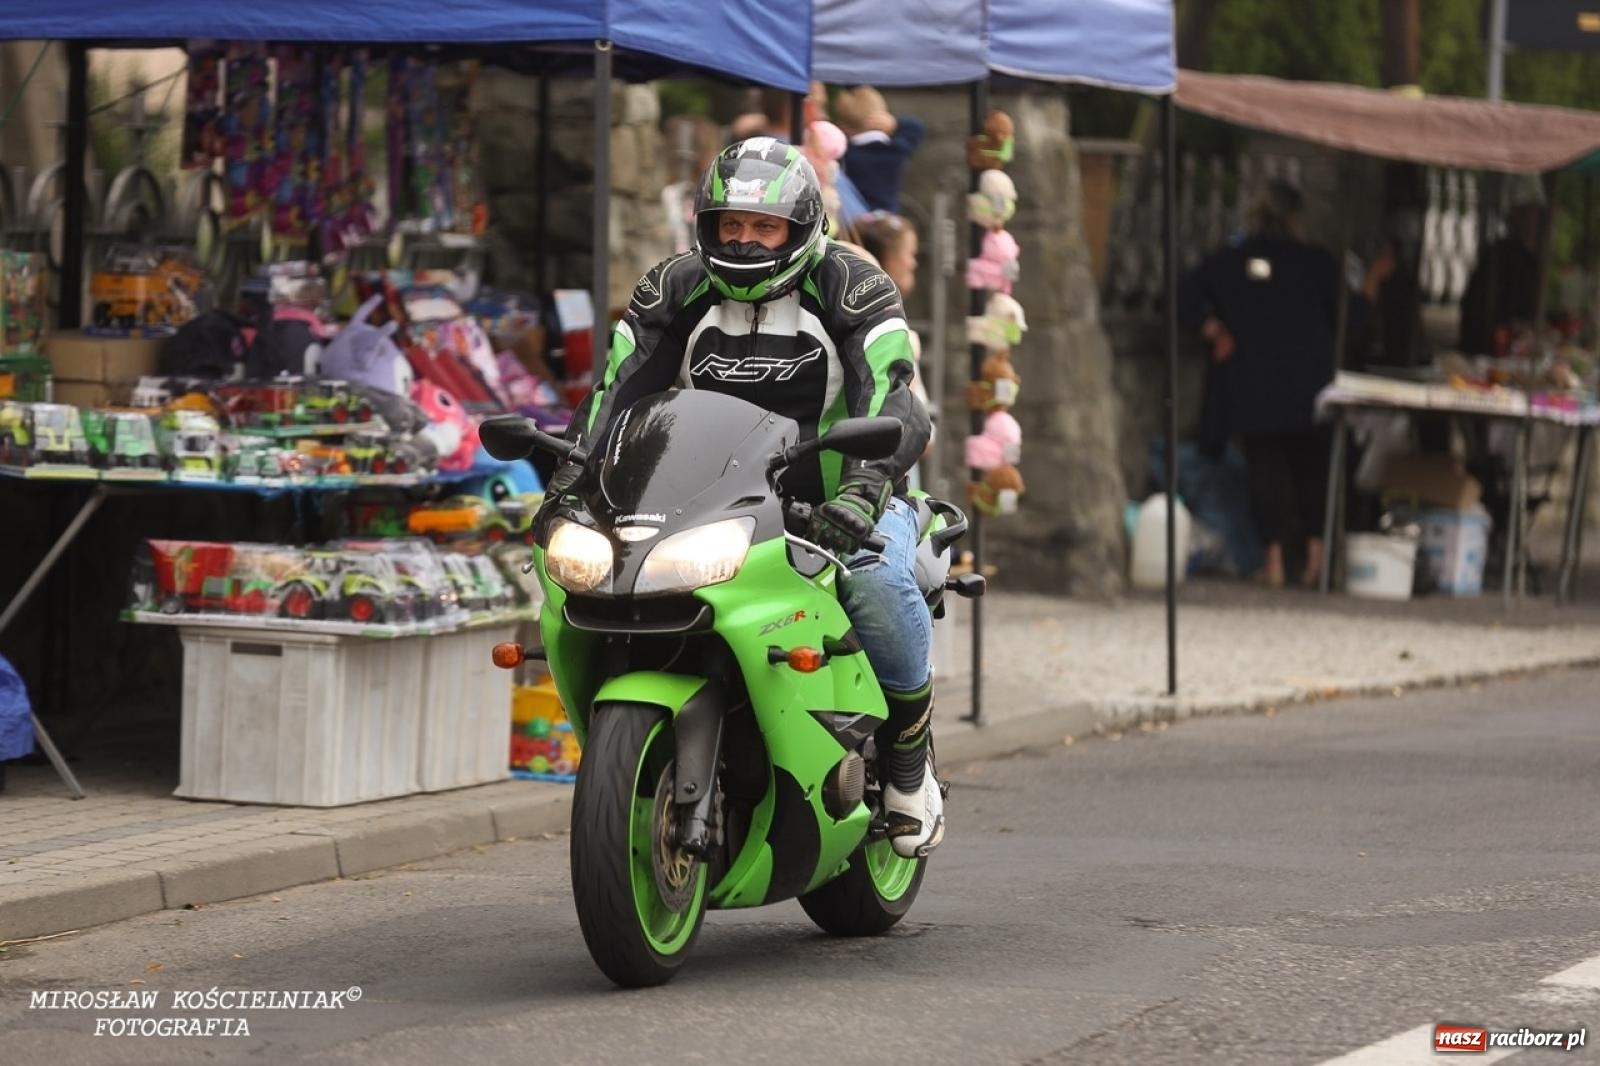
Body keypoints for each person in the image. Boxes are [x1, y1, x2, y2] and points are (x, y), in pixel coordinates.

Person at [540, 139, 942, 857]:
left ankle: (909, 760)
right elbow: (616, 391)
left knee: (878, 581)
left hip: (848, 499)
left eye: (765, 228)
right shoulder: (674, 286)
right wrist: (568, 482)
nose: (746, 242)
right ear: (707, 225)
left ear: (801, 225)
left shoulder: (854, 285)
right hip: (714, 507)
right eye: (731, 226)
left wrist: (862, 490)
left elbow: (895, 394)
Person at [1179, 179, 1394, 588]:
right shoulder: (1317, 263)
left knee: (1266, 470)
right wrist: (1375, 280)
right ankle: (1315, 562)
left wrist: (1214, 330)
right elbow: (1355, 321)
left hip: (1254, 385)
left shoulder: (1233, 260)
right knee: (1313, 470)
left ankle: (1273, 562)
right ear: (1297, 218)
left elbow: (1183, 294)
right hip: (1309, 385)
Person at [1458, 177, 1545, 356]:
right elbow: (1479, 306)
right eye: (1526, 213)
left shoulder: (1530, 259)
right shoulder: (1499, 255)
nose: (1532, 221)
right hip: (1488, 345)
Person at [834, 85, 926, 215]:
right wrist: (895, 124)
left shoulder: (847, 154)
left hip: (854, 221)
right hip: (887, 218)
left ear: (844, 128)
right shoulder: (896, 148)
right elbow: (917, 127)